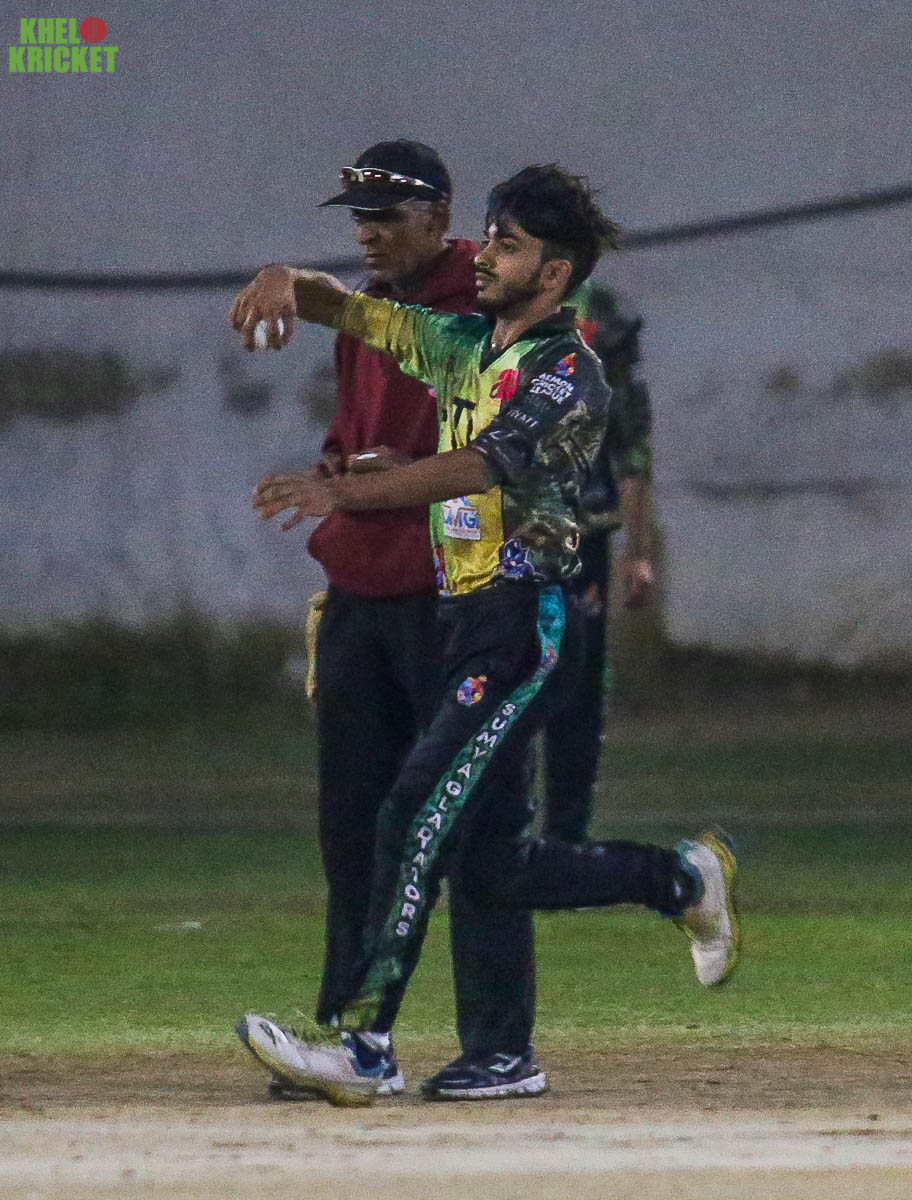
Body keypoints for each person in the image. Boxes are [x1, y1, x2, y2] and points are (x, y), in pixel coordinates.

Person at [231, 164, 741, 1106]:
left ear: (553, 274)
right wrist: (285, 281)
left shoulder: (568, 371)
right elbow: (355, 312)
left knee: (408, 812)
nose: (486, 256)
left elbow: (479, 465)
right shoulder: (465, 343)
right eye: (491, 236)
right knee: (495, 862)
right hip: (463, 617)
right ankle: (679, 882)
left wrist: (346, 493)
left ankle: (364, 1048)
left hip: (521, 629)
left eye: (508, 245)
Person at [243, 140, 544, 1102]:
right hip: (364, 595)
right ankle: (349, 1043)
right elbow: (355, 420)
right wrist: (339, 472)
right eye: (359, 219)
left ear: (440, 216)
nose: (369, 234)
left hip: (460, 595)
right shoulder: (371, 311)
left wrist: (393, 477)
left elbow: (496, 455)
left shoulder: (485, 305)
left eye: (386, 216)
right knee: (353, 828)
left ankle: (501, 1046)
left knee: (478, 825)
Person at [542, 282, 656, 842]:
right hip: (515, 545)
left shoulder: (615, 394)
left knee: (579, 686)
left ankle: (564, 832)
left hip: (582, 547)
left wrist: (637, 552)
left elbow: (632, 464)